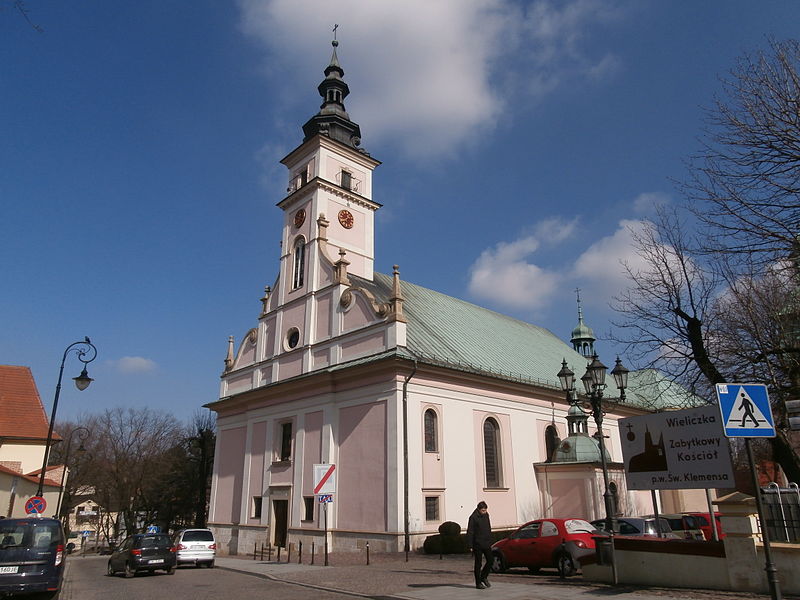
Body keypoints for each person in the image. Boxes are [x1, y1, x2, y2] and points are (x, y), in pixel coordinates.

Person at [466, 500, 492, 589]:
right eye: (483, 510)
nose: (484, 512)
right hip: (477, 544)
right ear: (479, 509)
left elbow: (488, 528)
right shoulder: (473, 517)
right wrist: (470, 545)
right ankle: (478, 583)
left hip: (486, 543)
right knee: (478, 564)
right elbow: (470, 532)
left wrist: (489, 539)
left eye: (485, 510)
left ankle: (483, 577)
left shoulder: (486, 515)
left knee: (490, 560)